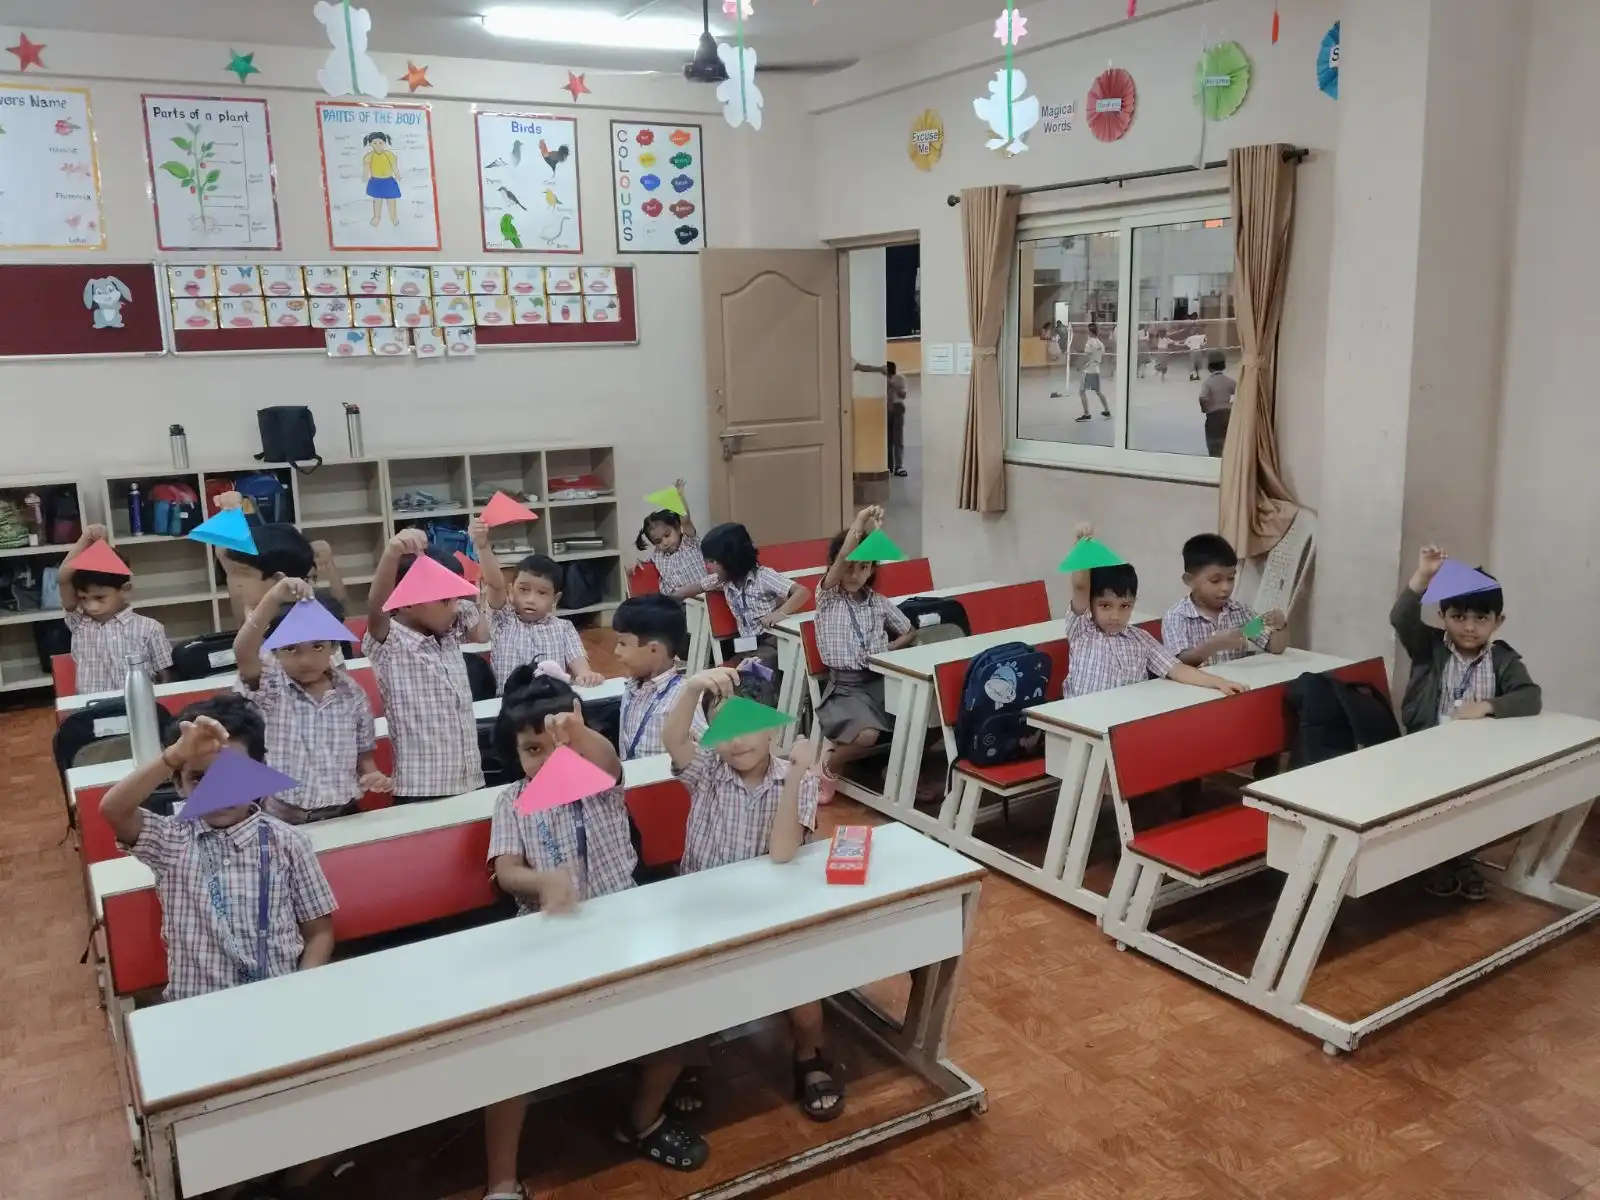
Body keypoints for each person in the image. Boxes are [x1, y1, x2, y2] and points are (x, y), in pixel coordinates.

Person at [480, 669, 707, 1199]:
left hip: (624, 921)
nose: (549, 759)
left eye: (559, 745)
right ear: (517, 756)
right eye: (535, 750)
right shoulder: (510, 802)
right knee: (507, 1052)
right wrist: (539, 882)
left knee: (686, 1012)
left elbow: (606, 759)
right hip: (547, 935)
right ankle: (502, 1182)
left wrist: (576, 738)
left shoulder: (598, 779)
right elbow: (506, 869)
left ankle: (643, 1120)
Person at [662, 666, 842, 1122]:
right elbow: (674, 738)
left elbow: (782, 852)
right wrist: (692, 688)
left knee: (803, 993)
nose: (737, 741)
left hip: (768, 909)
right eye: (724, 729)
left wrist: (800, 771)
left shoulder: (794, 779)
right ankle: (690, 1064)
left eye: (749, 726)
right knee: (692, 995)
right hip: (702, 909)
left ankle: (807, 1057)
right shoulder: (706, 770)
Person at [98, 695, 337, 1001]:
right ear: (178, 784)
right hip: (198, 1009)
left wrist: (302, 991)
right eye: (199, 778)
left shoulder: (289, 842)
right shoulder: (171, 840)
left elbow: (319, 932)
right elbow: (113, 809)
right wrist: (174, 755)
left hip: (280, 999)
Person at [1394, 546, 1542, 900]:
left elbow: (1530, 696)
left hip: (1474, 756)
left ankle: (1460, 860)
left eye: (1481, 618)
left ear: (1498, 621)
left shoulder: (1503, 659)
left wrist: (1488, 705)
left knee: (1468, 812)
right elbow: (1401, 617)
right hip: (1426, 747)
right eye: (1459, 617)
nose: (1470, 627)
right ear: (1442, 615)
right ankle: (1433, 862)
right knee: (1431, 810)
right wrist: (1423, 577)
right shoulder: (1429, 647)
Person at [233, 576, 389, 824]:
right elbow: (243, 651)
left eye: (317, 647)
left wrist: (374, 777)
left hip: (346, 813)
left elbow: (365, 759)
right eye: (291, 649)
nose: (305, 660)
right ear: (274, 651)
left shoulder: (352, 694)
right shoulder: (272, 687)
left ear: (333, 647)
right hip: (285, 819)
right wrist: (273, 597)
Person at [364, 530, 485, 804]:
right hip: (421, 790)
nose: (455, 608)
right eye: (445, 600)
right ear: (404, 602)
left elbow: (482, 628)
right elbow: (377, 608)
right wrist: (392, 553)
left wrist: (483, 549)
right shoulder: (392, 643)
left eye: (455, 599)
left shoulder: (451, 629)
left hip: (471, 779)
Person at [1065, 523, 1248, 699]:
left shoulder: (1141, 639)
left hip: (1124, 719)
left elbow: (1176, 669)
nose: (1115, 616)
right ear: (1091, 603)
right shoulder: (1084, 630)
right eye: (1105, 606)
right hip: (1081, 721)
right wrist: (1083, 547)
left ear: (1134, 603)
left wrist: (1218, 683)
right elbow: (1081, 586)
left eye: (1125, 606)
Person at [813, 507, 916, 795]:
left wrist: (890, 647)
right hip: (845, 689)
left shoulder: (878, 602)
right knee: (868, 734)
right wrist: (859, 524)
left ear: (872, 569)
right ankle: (831, 766)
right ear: (836, 564)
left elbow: (909, 630)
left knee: (927, 716)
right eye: (849, 566)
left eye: (864, 566)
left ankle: (891, 771)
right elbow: (845, 558)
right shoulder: (828, 596)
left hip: (878, 681)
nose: (855, 574)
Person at [470, 521, 602, 692]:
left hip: (552, 705)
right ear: (511, 591)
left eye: (542, 593)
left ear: (555, 599)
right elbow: (495, 584)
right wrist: (482, 546)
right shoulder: (502, 619)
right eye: (523, 590)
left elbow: (578, 660)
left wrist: (586, 674)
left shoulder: (564, 628)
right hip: (511, 707)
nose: (531, 599)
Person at [57, 524, 172, 692]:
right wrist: (86, 539)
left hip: (139, 707)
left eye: (99, 597)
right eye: (83, 598)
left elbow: (166, 674)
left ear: (125, 590)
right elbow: (63, 577)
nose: (91, 606)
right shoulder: (80, 622)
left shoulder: (150, 628)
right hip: (93, 710)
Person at [211, 491, 344, 627]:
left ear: (279, 580)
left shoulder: (297, 626)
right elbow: (224, 553)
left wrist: (327, 564)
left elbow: (339, 608)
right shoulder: (254, 605)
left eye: (244, 572)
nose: (235, 584)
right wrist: (231, 511)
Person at [698, 523, 810, 673]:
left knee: (754, 672)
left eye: (713, 562)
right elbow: (698, 586)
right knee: (727, 674)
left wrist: (780, 613)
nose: (708, 567)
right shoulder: (723, 580)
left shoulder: (763, 576)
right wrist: (671, 595)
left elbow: (802, 592)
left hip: (769, 642)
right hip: (746, 645)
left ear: (732, 560)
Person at [1161, 534, 1287, 667]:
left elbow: (1274, 647)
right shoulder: (1177, 617)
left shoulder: (1240, 612)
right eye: (1215, 581)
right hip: (1197, 686)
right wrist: (1212, 646)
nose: (1226, 588)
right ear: (1189, 580)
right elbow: (1177, 665)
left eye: (1231, 578)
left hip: (1239, 685)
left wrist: (1280, 626)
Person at [612, 595, 706, 758]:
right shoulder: (632, 686)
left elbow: (715, 749)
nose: (616, 651)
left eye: (623, 644)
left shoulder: (686, 699)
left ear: (654, 650)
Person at [636, 478, 708, 599]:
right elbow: (645, 565)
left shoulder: (689, 543)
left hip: (701, 599)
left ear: (678, 529)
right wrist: (637, 565)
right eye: (657, 541)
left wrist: (679, 498)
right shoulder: (657, 555)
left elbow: (685, 520)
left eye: (667, 535)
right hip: (674, 603)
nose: (665, 543)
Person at [854, 362, 909, 476]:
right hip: (885, 409)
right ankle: (889, 466)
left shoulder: (899, 379)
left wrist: (894, 386)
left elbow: (903, 395)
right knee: (888, 439)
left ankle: (899, 466)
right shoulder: (881, 379)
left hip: (897, 408)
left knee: (898, 438)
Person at [1198, 351, 1236, 458]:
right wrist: (1233, 405)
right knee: (1228, 443)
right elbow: (1241, 393)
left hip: (1214, 417)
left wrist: (1205, 409)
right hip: (1228, 415)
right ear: (1224, 366)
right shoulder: (1230, 381)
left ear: (1209, 367)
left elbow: (1202, 398)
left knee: (1214, 445)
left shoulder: (1208, 383)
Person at [363, 130, 401, 228]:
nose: (378, 145)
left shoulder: (389, 155)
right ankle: (377, 217)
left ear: (385, 143)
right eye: (374, 143)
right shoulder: (369, 156)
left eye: (380, 143)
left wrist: (397, 174)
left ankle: (393, 217)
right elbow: (366, 167)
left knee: (392, 200)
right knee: (377, 200)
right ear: (370, 144)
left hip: (388, 181)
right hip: (376, 181)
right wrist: (365, 176)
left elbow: (394, 165)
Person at [1075, 323, 1111, 422]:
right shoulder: (1100, 343)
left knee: (1082, 392)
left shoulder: (1089, 343)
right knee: (1098, 391)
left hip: (1089, 371)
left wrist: (1080, 366)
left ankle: (1086, 414)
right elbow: (1102, 355)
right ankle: (1107, 410)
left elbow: (1086, 356)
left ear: (1090, 332)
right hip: (1096, 370)